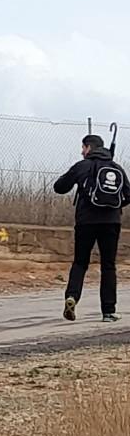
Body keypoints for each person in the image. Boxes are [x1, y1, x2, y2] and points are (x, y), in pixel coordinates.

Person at [54, 134, 128, 322]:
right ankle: (108, 311)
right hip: (111, 222)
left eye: (83, 148)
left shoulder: (82, 166)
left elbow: (59, 187)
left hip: (86, 221)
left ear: (89, 148)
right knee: (108, 265)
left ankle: (72, 297)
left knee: (80, 262)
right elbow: (128, 194)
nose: (81, 152)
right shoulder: (116, 168)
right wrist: (113, 205)